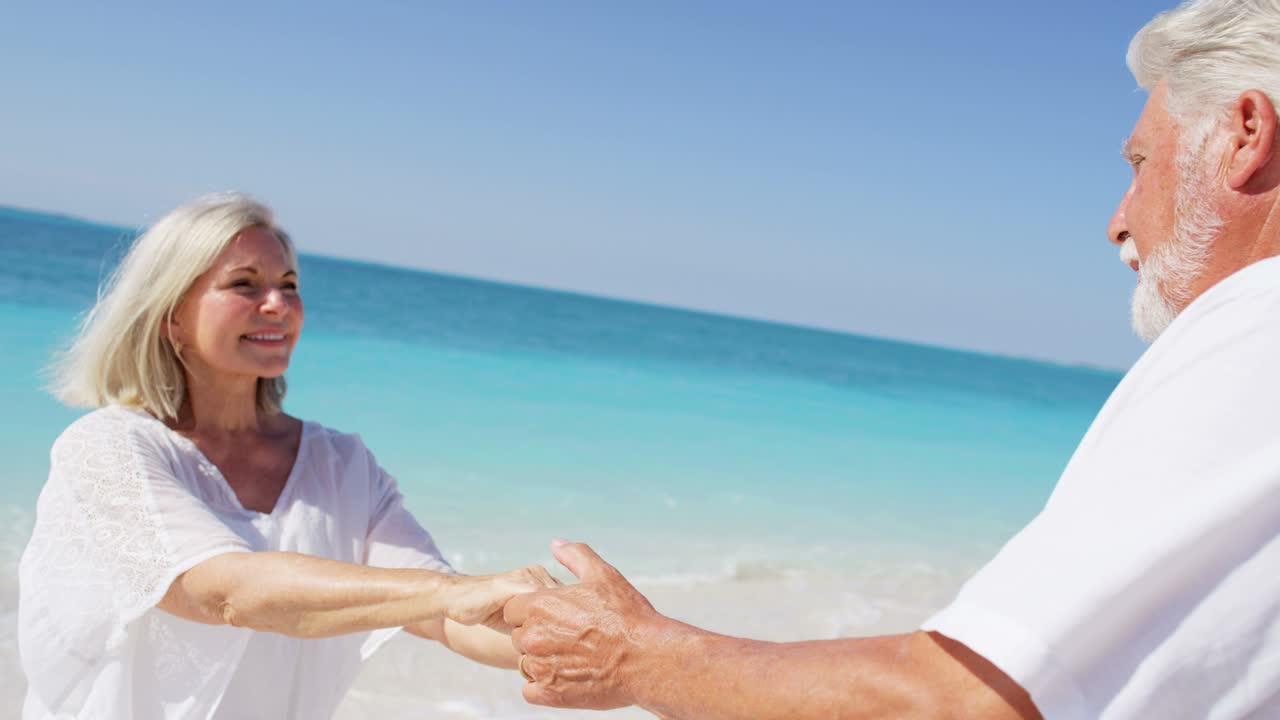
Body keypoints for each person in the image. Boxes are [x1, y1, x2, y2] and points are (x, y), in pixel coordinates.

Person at [503, 1, 1280, 717]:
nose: (1118, 221)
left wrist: (636, 657)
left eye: (1139, 164)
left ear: (1245, 133)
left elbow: (957, 705)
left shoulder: (1255, 326)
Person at [18, 193, 559, 719]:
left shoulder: (342, 464)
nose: (278, 304)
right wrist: (452, 593)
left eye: (289, 285)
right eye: (244, 284)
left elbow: (446, 618)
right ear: (171, 315)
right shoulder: (109, 447)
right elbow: (224, 592)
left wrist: (583, 643)